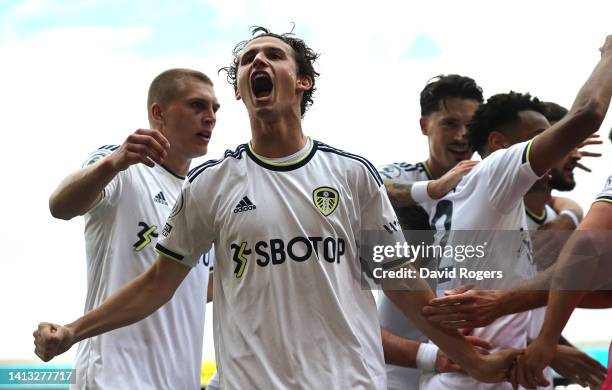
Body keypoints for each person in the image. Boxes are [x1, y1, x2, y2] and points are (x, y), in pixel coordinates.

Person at [34, 27, 520, 389]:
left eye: (272, 55)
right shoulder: (210, 183)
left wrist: (467, 357)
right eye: (247, 60)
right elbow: (158, 283)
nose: (256, 63)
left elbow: (404, 285)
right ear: (242, 89)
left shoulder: (351, 174)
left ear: (303, 81)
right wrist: (75, 331)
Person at [419, 34, 612, 390]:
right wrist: (609, 56)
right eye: (541, 134)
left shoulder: (494, 202)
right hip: (477, 379)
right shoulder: (492, 173)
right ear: (500, 144)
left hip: (486, 374)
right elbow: (587, 115)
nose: (551, 142)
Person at [43, 68, 219, 389]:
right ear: (158, 112)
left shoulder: (206, 195)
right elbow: (60, 206)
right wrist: (114, 162)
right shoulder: (124, 168)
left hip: (179, 382)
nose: (210, 117)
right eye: (197, 106)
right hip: (111, 379)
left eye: (214, 109)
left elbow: (195, 286)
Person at [377, 74, 484, 390]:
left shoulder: (486, 182)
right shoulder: (403, 175)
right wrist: (433, 189)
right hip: (394, 370)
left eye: (471, 125)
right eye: (450, 124)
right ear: (425, 125)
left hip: (460, 370)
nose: (463, 135)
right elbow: (370, 186)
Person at [514, 129, 612, 389]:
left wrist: (548, 342)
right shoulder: (486, 214)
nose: (577, 155)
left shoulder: (559, 220)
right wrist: (549, 344)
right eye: (564, 145)